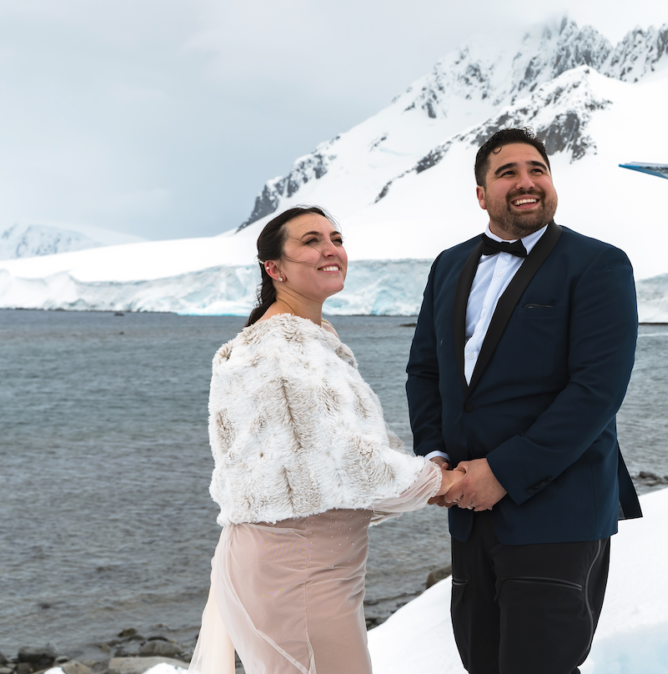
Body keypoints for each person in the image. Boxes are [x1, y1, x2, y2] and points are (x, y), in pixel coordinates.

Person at [405, 127, 643, 674]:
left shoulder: (598, 264)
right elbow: (425, 370)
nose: (526, 182)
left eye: (537, 169)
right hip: (466, 508)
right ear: (482, 193)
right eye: (507, 172)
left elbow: (596, 392)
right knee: (481, 662)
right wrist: (436, 456)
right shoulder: (448, 264)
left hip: (558, 507)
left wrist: (503, 473)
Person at [188, 206, 465, 674]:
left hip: (302, 562)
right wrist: (444, 481)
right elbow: (346, 459)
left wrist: (424, 473)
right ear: (273, 268)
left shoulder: (306, 338)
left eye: (336, 238)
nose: (331, 249)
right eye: (312, 240)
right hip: (297, 568)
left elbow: (345, 444)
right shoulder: (283, 347)